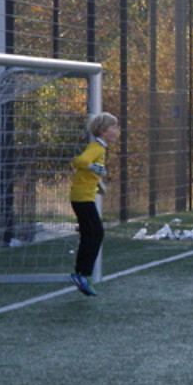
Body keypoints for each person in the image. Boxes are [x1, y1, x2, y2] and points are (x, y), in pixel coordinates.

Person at [69, 112, 120, 296]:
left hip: (83, 196)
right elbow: (81, 161)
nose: (117, 131)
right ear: (103, 131)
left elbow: (78, 164)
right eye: (113, 127)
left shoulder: (98, 148)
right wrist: (94, 167)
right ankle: (83, 274)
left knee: (90, 234)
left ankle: (81, 274)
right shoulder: (97, 147)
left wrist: (98, 183)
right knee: (96, 233)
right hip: (82, 198)